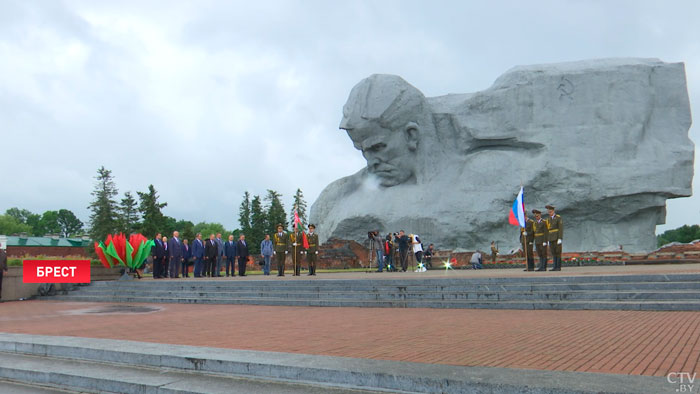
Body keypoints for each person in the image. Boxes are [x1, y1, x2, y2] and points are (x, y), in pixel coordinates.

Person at [546, 204, 564, 271]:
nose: (549, 213)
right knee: (553, 252)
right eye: (548, 211)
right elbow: (548, 230)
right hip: (551, 238)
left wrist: (560, 238)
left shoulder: (558, 218)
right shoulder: (548, 219)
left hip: (556, 237)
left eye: (550, 211)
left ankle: (558, 267)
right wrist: (547, 239)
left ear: (553, 211)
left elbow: (560, 228)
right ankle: (554, 266)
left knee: (558, 252)